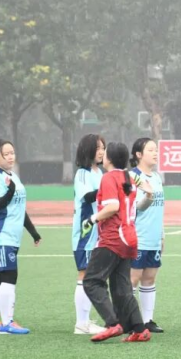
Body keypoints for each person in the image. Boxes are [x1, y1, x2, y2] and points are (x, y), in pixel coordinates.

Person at [82, 142, 152, 344]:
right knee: (122, 288)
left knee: (91, 281)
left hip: (113, 237)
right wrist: (148, 192)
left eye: (105, 153)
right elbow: (143, 197)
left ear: (110, 158)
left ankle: (113, 323)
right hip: (129, 238)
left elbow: (112, 206)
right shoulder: (129, 177)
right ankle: (140, 329)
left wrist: (91, 219)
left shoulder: (109, 177)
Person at [0, 139, 42, 336]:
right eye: (5, 154)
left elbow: (19, 209)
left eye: (12, 153)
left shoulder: (13, 176)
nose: (10, 157)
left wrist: (33, 232)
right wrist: (10, 190)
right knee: (9, 275)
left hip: (12, 237)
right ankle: (7, 322)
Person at [71, 134, 106, 335]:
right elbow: (88, 196)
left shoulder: (99, 172)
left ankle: (85, 320)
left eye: (103, 148)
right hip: (86, 233)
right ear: (88, 150)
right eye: (98, 148)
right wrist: (110, 188)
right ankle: (81, 323)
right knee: (84, 275)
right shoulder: (82, 174)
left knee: (92, 276)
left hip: (98, 233)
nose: (102, 152)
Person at [129, 137, 164, 333]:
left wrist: (162, 236)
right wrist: (148, 196)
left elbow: (160, 209)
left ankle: (147, 320)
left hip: (154, 238)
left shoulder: (156, 177)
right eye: (150, 150)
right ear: (138, 154)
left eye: (156, 149)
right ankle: (128, 320)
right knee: (133, 278)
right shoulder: (133, 177)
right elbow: (135, 207)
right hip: (138, 237)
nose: (155, 153)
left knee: (150, 278)